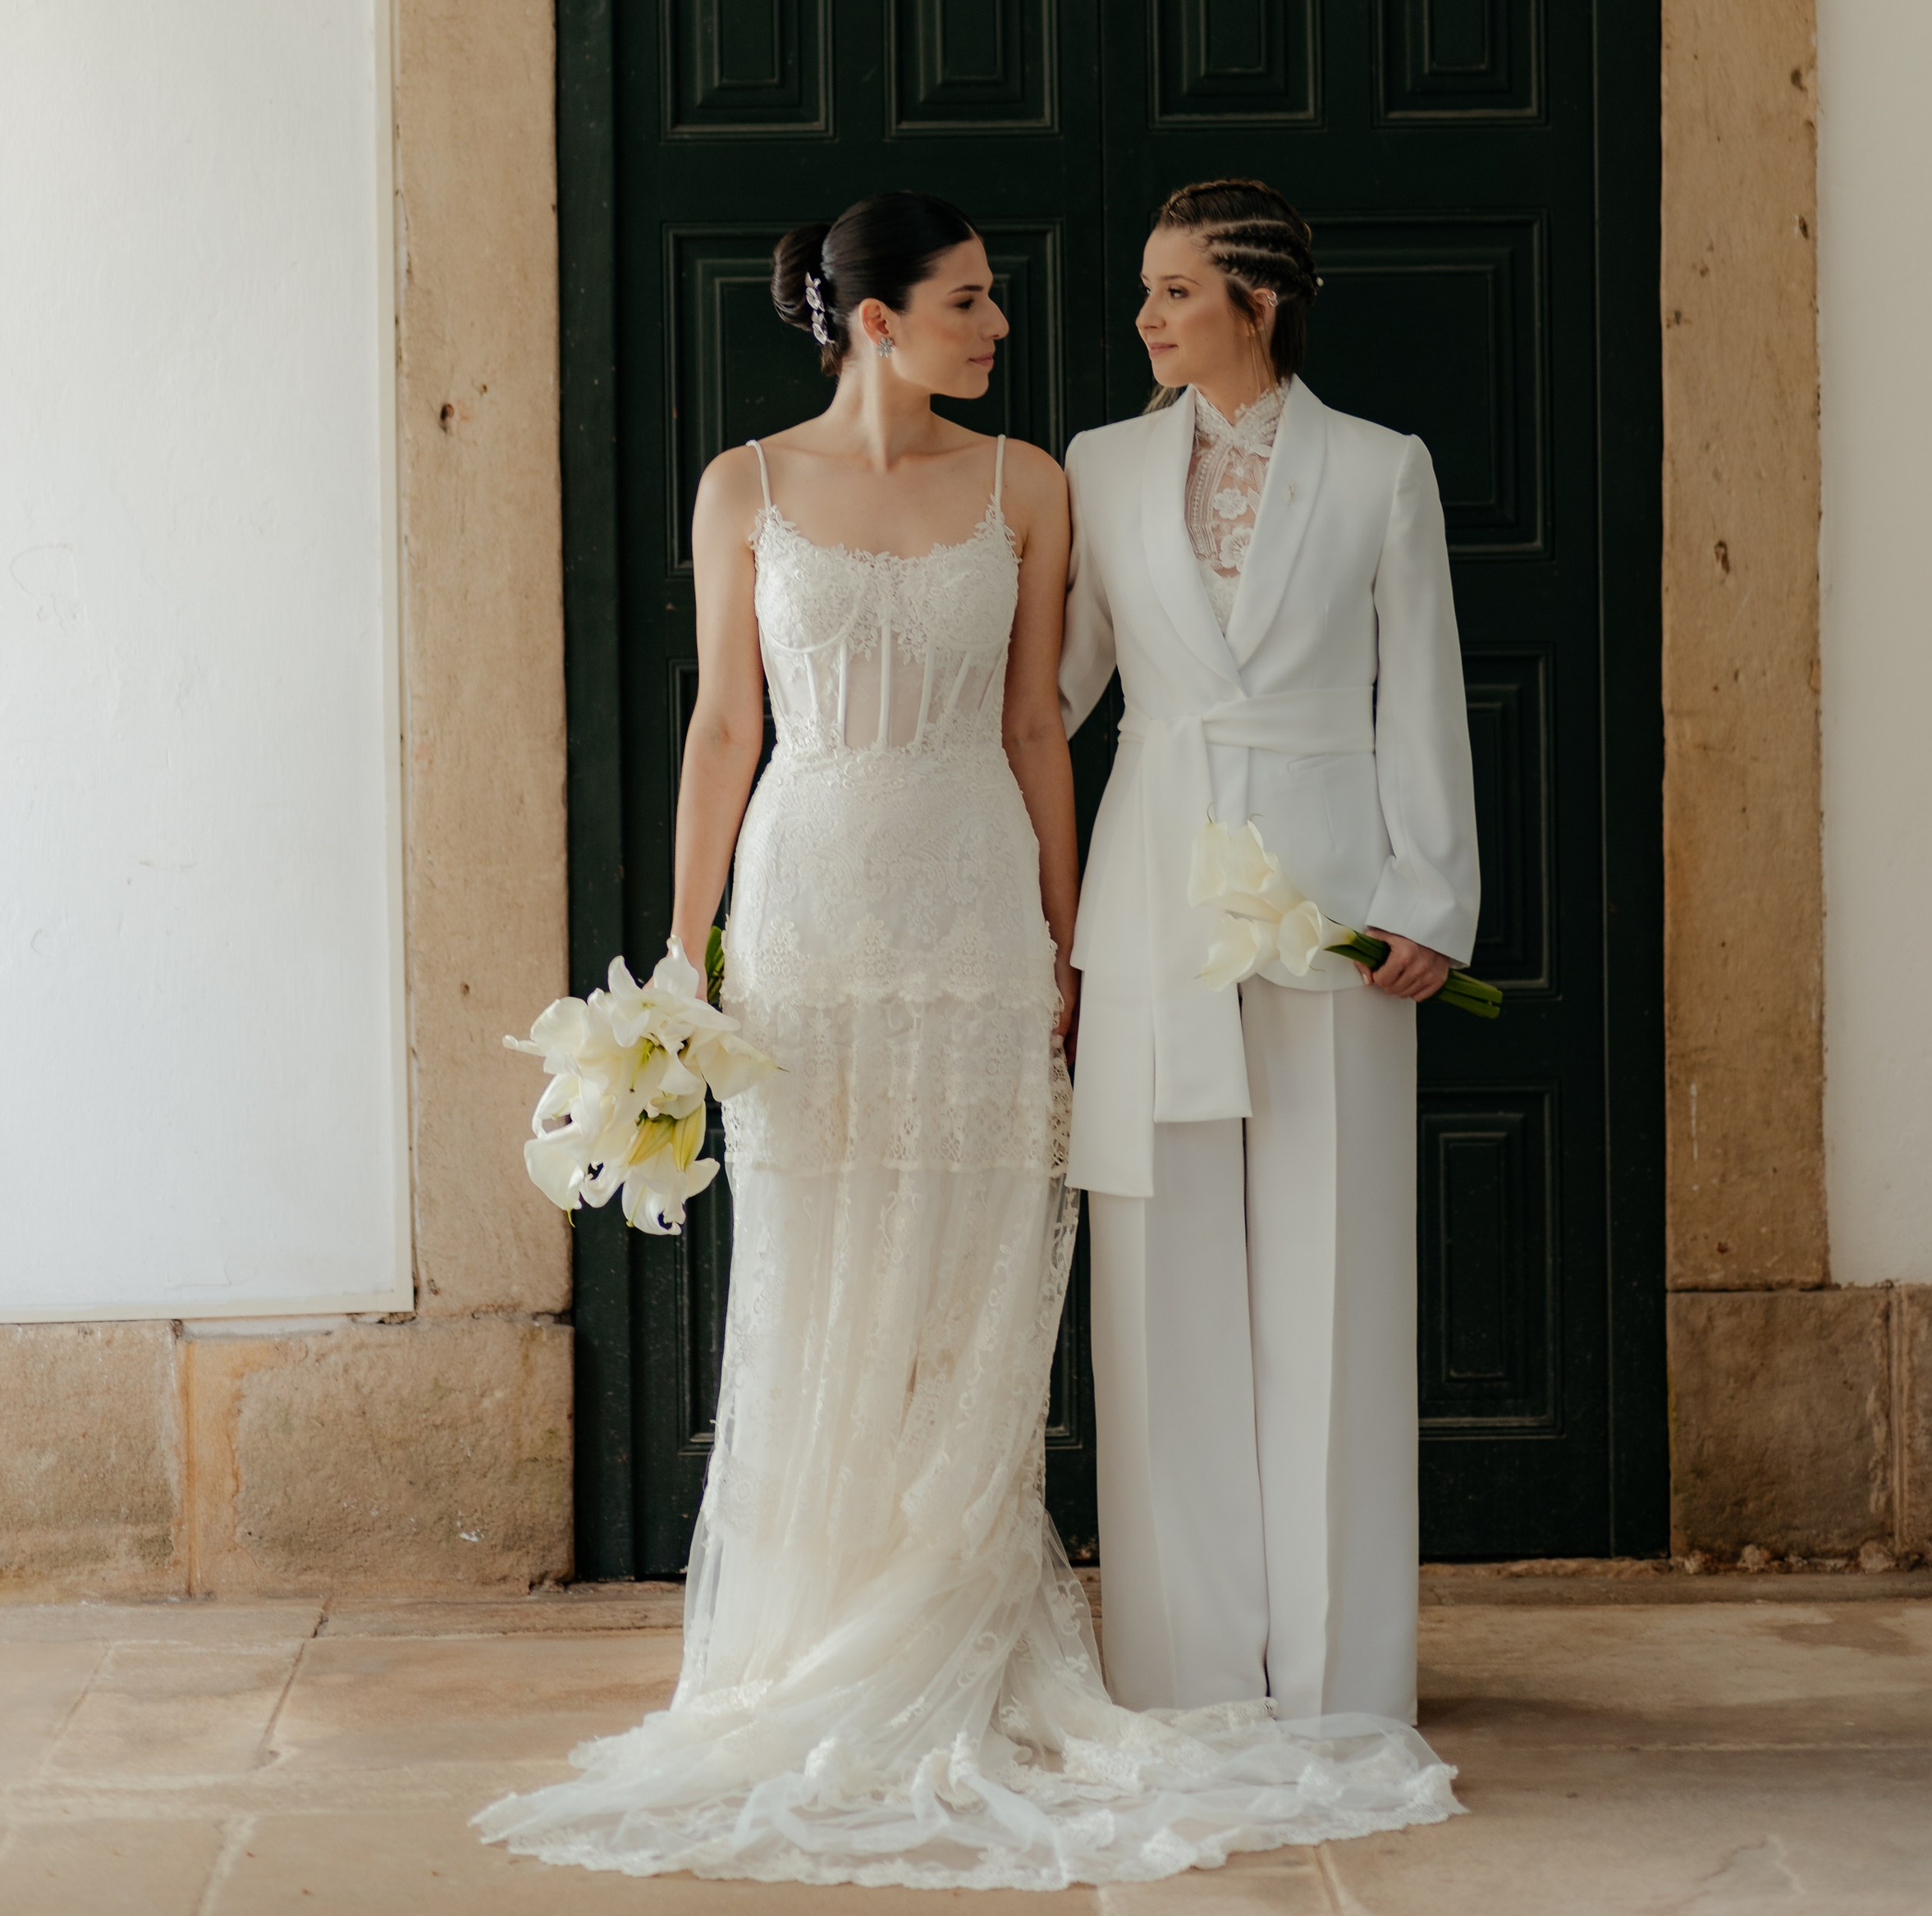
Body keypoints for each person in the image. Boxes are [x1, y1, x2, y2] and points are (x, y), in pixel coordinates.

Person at [479, 190, 1458, 1886]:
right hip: (873, 894)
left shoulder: (1132, 476)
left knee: (1093, 1274)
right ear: (873, 318)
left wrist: (1086, 932)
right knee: (898, 1268)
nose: (1037, 320)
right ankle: (923, 1635)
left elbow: (1053, 707)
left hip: (1096, 900)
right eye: (973, 297)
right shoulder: (884, 478)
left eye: (1160, 293)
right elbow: (773, 716)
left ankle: (1248, 1661)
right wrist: (686, 951)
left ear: (1252, 298)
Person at [1060, 179, 1481, 1730]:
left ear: (1261, 301)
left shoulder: (1380, 472)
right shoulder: (1100, 470)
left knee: (1335, 1275)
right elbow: (1058, 695)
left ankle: (1339, 1680)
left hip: (1338, 910)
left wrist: (1431, 895)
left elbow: (1420, 689)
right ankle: (1177, 1674)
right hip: (1154, 890)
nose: (1148, 317)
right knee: (1160, 1284)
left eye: (1177, 292)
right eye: (1149, 290)